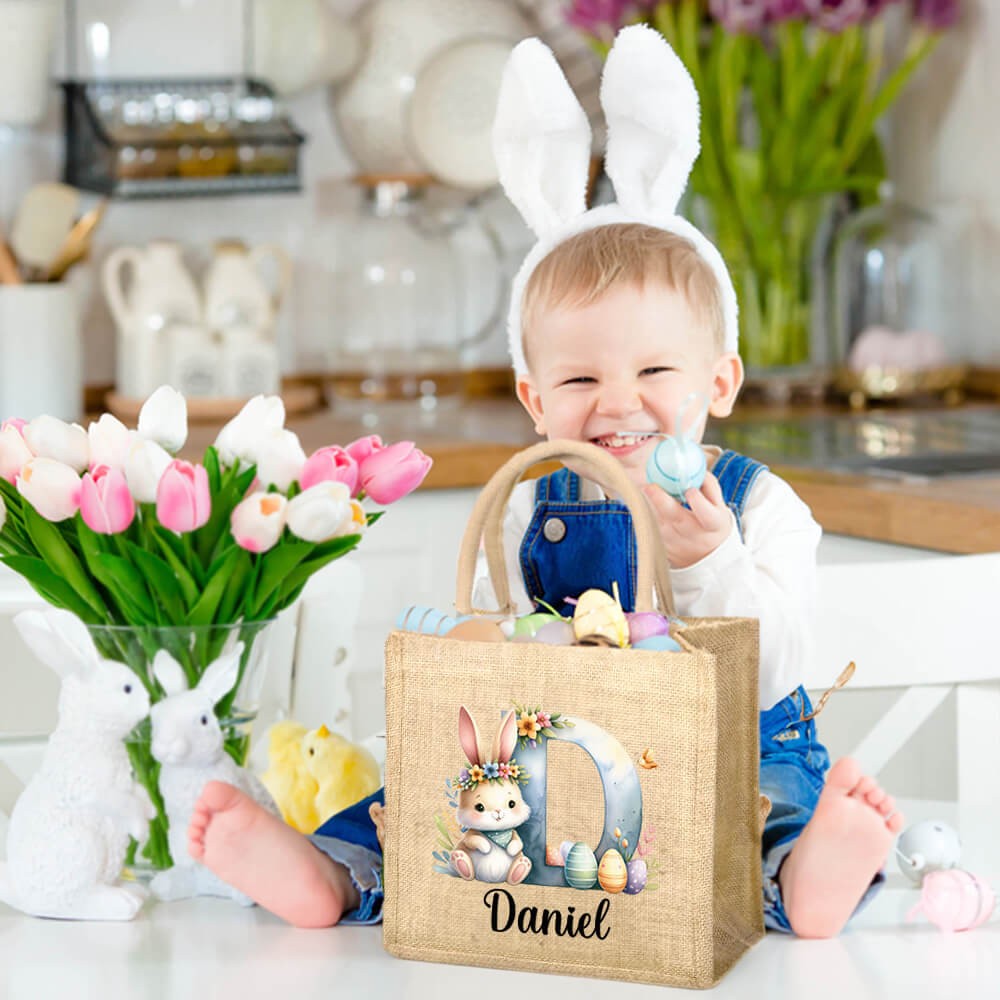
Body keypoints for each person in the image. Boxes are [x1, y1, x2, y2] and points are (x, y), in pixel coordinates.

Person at [187, 25, 902, 938]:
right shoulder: (527, 505)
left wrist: (713, 561)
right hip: (561, 752)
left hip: (733, 745)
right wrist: (510, 648)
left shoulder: (760, 507)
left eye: (656, 373)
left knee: (760, 801)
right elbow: (488, 632)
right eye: (578, 380)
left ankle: (803, 878)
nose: (619, 404)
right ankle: (334, 872)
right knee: (438, 794)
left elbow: (777, 672)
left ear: (719, 384)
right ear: (533, 399)